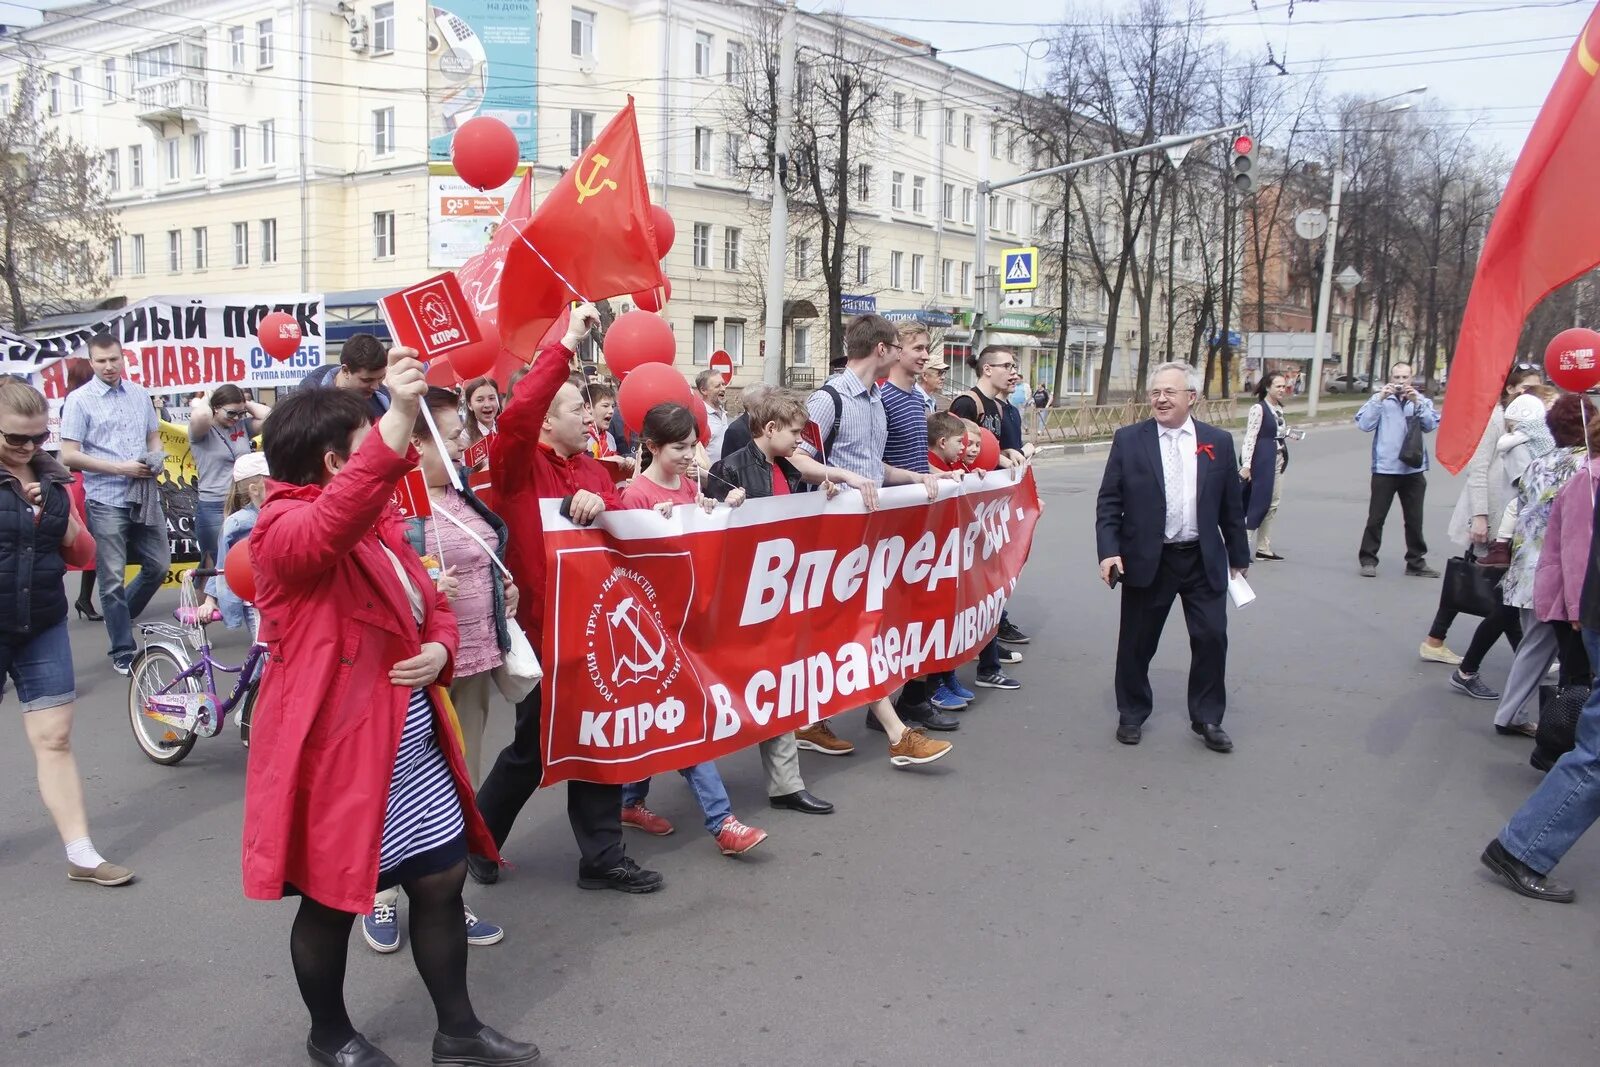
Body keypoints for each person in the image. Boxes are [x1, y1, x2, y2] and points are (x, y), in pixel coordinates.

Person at [244, 347, 538, 1067]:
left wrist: (440, 648)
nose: (388, 448)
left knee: (439, 877)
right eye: (362, 444)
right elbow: (328, 527)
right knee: (332, 898)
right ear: (327, 463)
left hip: (409, 741)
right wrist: (400, 412)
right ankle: (330, 1035)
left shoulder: (373, 520)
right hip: (338, 747)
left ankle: (458, 1031)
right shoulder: (280, 530)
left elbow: (429, 599)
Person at [472, 304, 663, 894]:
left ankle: (602, 857)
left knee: (600, 736)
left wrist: (604, 503)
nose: (587, 417)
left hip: (597, 630)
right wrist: (564, 345)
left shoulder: (594, 470)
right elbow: (519, 414)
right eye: (575, 409)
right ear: (545, 422)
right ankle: (479, 842)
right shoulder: (516, 465)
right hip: (543, 627)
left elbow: (624, 529)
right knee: (533, 749)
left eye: (585, 407)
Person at [364, 386, 513, 956]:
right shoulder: (390, 504)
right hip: (411, 674)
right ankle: (378, 897)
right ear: (419, 442)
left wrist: (504, 588)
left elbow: (488, 554)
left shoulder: (461, 493)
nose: (464, 443)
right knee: (396, 789)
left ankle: (446, 900)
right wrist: (427, 594)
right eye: (453, 435)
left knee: (457, 790)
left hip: (470, 660)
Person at [787, 313, 955, 768]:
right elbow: (798, 458)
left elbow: (873, 467)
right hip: (831, 538)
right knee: (852, 630)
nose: (905, 355)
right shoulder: (829, 398)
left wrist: (915, 476)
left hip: (865, 535)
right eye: (898, 348)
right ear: (881, 350)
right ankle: (898, 734)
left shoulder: (875, 401)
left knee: (840, 630)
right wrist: (840, 475)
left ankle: (809, 722)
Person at [612, 403, 768, 855]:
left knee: (659, 722)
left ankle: (629, 800)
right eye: (679, 447)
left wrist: (715, 508)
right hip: (652, 633)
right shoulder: (635, 497)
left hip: (688, 623)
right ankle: (722, 823)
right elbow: (624, 569)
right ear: (651, 447)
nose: (689, 455)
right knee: (685, 727)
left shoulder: (688, 486)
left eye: (693, 445)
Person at [1, 378, 133, 888]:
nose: (29, 448)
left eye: (38, 438)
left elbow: (82, 555)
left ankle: (82, 853)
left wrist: (50, 515)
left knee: (54, 738)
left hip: (42, 619)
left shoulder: (55, 480)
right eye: (15, 438)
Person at [1095, 361, 1250, 752]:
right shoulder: (1130, 440)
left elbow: (1232, 504)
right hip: (1150, 558)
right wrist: (1109, 551)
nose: (1161, 399)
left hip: (1202, 558)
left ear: (1191, 398)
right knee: (1137, 641)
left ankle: (1208, 718)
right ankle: (1131, 712)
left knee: (1212, 637)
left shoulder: (1217, 440)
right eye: (1155, 393)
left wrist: (1238, 553)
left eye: (1170, 392)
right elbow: (1110, 501)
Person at [709, 389, 847, 812]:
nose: (800, 442)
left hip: (779, 598)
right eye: (793, 433)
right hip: (742, 602)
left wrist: (820, 500)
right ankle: (681, 773)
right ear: (769, 429)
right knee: (719, 691)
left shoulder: (789, 467)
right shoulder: (727, 471)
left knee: (780, 686)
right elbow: (707, 534)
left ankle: (786, 784)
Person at [58, 333, 171, 675]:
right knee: (111, 579)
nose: (109, 366)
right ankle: (123, 649)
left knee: (159, 565)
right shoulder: (80, 400)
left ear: (124, 359)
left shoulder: (139, 395)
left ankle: (119, 614)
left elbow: (153, 434)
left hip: (143, 493)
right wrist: (119, 467)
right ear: (91, 362)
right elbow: (68, 454)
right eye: (101, 361)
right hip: (106, 497)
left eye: (114, 359)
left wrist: (156, 456)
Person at [1419, 365, 1544, 669]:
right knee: (1497, 586)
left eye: (1537, 390)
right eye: (1527, 389)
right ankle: (1522, 657)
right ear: (1511, 389)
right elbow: (1478, 469)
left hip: (1508, 515)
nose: (1533, 396)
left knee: (1474, 579)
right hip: (1489, 512)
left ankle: (1435, 640)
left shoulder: (1531, 424)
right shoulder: (1497, 419)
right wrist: (1479, 516)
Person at [1488, 394, 1595, 734]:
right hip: (1563, 571)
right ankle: (1562, 726)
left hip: (1527, 566)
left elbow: (1519, 506)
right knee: (1571, 658)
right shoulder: (1585, 468)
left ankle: (1510, 713)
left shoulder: (1540, 461)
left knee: (1534, 646)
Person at [879, 321, 964, 725]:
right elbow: (873, 464)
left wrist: (938, 475)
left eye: (927, 347)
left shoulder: (919, 401)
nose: (926, 355)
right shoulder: (883, 399)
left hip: (920, 521)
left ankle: (912, 697)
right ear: (895, 350)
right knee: (892, 618)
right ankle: (889, 703)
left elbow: (917, 458)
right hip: (892, 525)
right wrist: (914, 481)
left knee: (921, 614)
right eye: (918, 347)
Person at [188, 385, 269, 615]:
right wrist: (208, 396)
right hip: (213, 505)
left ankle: (250, 610)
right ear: (215, 408)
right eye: (230, 413)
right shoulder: (202, 431)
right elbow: (201, 415)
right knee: (212, 564)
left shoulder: (242, 426)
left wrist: (244, 405)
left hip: (243, 502)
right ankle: (200, 615)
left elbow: (272, 416)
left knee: (247, 556)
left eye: (240, 414)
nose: (236, 419)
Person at [1355, 362, 1440, 580]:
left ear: (1412, 379)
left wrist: (1417, 402)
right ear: (1390, 378)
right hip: (1385, 468)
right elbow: (1364, 424)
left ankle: (1415, 562)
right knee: (1376, 518)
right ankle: (1368, 559)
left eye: (1405, 378)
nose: (1401, 382)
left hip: (1413, 469)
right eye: (1397, 377)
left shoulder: (1421, 401)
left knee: (1414, 519)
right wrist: (1378, 399)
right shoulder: (1381, 401)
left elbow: (1431, 425)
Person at [205, 452, 268, 633]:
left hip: (279, 596)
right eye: (272, 482)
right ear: (254, 489)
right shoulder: (238, 522)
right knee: (266, 650)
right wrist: (210, 599)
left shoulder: (281, 512)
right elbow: (223, 565)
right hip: (253, 601)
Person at [1239, 372, 1292, 562]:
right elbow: (1251, 437)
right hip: (1261, 461)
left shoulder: (1278, 409)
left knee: (1273, 504)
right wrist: (1246, 465)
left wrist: (1287, 435)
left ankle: (1263, 548)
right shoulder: (1258, 409)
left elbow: (1275, 432)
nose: (1282, 389)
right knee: (1259, 503)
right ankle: (1242, 547)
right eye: (1278, 386)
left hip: (1277, 461)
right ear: (1268, 387)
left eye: (1284, 386)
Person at [299, 333, 390, 421]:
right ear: (345, 371)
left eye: (380, 378)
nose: (376, 387)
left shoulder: (383, 397)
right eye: (367, 380)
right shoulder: (311, 397)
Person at [717, 382, 770, 460]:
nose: (771, 403)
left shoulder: (771, 424)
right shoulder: (736, 429)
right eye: (767, 399)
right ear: (752, 403)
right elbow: (727, 463)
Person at [461, 376, 500, 470]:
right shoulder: (465, 437)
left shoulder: (506, 429)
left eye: (492, 398)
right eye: (480, 400)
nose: (487, 405)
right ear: (470, 405)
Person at [696, 368, 731, 463]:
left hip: (724, 474)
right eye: (717, 386)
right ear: (704, 390)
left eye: (723, 384)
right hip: (706, 475)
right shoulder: (699, 416)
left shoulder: (723, 413)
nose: (723, 389)